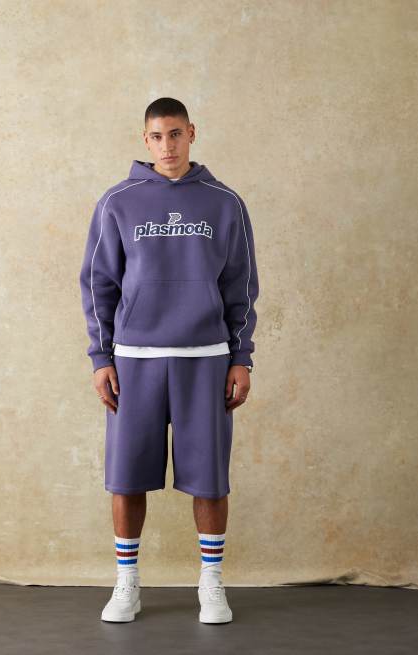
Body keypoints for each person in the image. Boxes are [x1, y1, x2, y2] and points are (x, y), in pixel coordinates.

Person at [79, 97, 259, 624]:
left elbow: (241, 286)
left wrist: (241, 357)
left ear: (192, 133)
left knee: (210, 477)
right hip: (135, 358)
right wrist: (101, 357)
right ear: (145, 140)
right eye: (157, 137)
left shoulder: (225, 203)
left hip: (206, 357)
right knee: (127, 476)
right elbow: (98, 284)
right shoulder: (118, 202)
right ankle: (126, 583)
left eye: (176, 134)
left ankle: (211, 584)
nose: (167, 146)